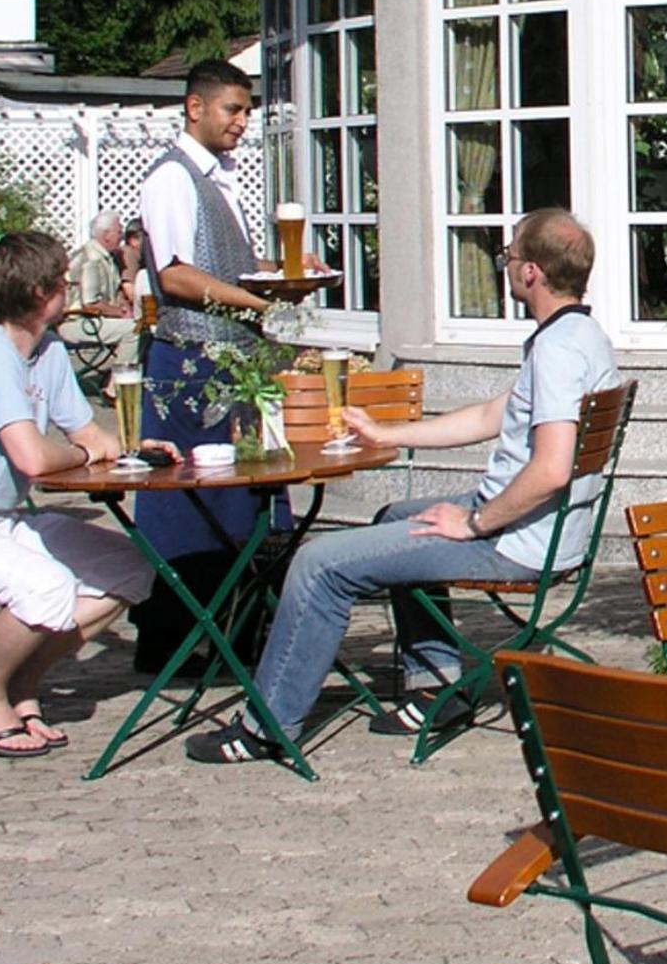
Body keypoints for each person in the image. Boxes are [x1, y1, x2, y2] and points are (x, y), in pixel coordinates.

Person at [186, 208, 618, 764]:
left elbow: (552, 468)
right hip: (548, 533)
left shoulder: (557, 350)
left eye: (508, 256)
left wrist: (474, 523)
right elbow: (492, 415)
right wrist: (389, 432)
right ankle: (437, 686)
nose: (505, 266)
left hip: (517, 542)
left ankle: (267, 727)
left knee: (319, 564)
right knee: (395, 516)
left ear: (532, 272)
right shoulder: (582, 336)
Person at [0, 230, 171, 757]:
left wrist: (134, 448)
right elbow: (34, 460)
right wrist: (86, 455)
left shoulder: (47, 350)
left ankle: (21, 684)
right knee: (46, 586)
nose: (70, 288)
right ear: (42, 292)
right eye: (64, 281)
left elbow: (87, 435)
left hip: (3, 520)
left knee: (131, 567)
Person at [129, 58, 309, 671]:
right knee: (187, 506)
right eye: (233, 109)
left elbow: (223, 266)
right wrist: (261, 303)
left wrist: (283, 275)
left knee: (239, 500)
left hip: (229, 362)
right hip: (189, 364)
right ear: (195, 107)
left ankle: (238, 635)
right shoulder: (172, 179)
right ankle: (171, 642)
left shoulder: (219, 178)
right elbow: (176, 275)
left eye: (247, 111)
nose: (241, 122)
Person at [56, 210, 138, 377]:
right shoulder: (92, 259)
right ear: (106, 235)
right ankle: (118, 384)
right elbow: (90, 303)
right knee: (134, 330)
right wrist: (120, 313)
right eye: (119, 232)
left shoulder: (106, 258)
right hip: (77, 322)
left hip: (93, 322)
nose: (122, 237)